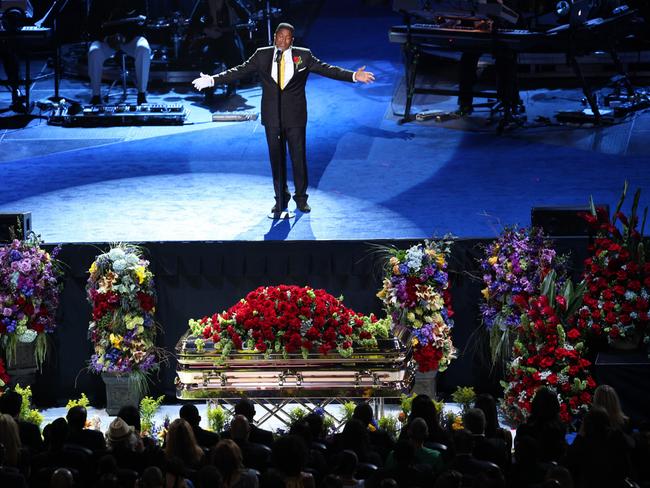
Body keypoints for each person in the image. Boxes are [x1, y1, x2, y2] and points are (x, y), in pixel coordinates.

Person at [192, 22, 374, 216]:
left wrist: (354, 75)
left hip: (295, 116)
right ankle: (280, 199)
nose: (283, 40)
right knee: (276, 159)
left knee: (298, 158)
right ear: (274, 37)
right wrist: (212, 80)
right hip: (272, 117)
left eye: (287, 38)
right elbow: (239, 70)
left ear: (292, 41)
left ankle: (301, 199)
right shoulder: (262, 55)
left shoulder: (303, 56)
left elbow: (328, 69)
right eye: (280, 36)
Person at [86, 0, 151, 105]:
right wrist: (107, 38)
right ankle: (96, 96)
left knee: (143, 49)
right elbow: (91, 24)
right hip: (107, 40)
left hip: (130, 38)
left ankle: (142, 94)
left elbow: (144, 23)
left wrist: (125, 36)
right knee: (94, 52)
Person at [187, 0, 251, 99]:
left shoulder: (232, 2)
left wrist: (231, 27)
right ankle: (208, 90)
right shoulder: (204, 2)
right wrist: (206, 29)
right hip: (210, 38)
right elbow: (193, 21)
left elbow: (245, 16)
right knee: (207, 57)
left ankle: (232, 86)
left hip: (228, 37)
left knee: (233, 56)